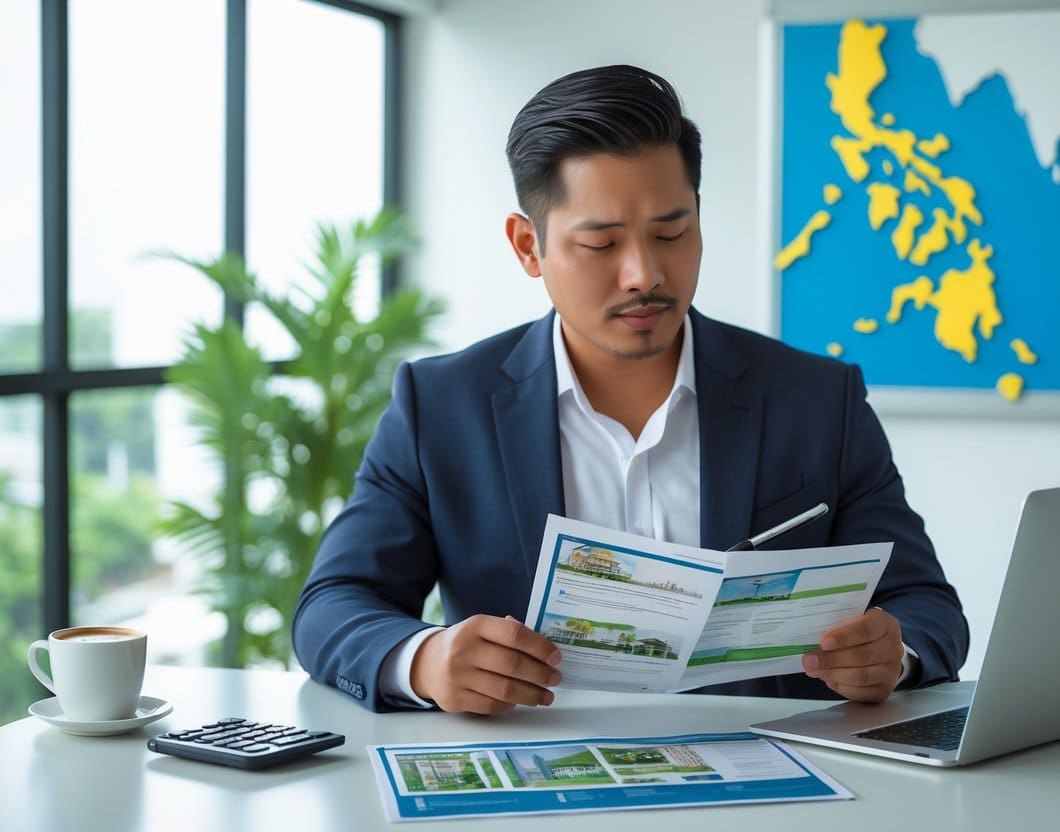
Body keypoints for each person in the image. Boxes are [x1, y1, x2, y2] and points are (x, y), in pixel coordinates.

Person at [292, 64, 968, 714]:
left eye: (671, 232)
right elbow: (334, 602)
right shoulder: (439, 407)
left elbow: (926, 605)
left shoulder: (817, 400)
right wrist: (424, 659)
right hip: (533, 782)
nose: (643, 273)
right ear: (528, 246)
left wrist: (895, 652)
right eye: (601, 244)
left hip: (769, 786)